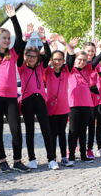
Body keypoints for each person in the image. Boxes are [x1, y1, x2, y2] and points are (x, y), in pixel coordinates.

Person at [0, 5, 29, 172]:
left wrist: (13, 17)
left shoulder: (14, 53)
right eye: (4, 38)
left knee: (16, 129)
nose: (7, 40)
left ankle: (17, 160)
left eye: (7, 38)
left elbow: (19, 37)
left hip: (11, 97)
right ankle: (2, 160)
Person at [17, 24, 59, 170]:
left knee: (46, 129)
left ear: (37, 58)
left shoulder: (41, 67)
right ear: (25, 57)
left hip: (40, 100)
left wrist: (43, 39)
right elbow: (19, 51)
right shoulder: (21, 68)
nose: (31, 58)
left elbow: (47, 55)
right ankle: (32, 158)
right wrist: (26, 37)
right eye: (28, 56)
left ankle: (51, 159)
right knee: (29, 131)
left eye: (34, 56)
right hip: (27, 100)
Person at [45, 35, 74, 167]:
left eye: (60, 59)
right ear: (52, 60)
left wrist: (65, 43)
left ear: (63, 61)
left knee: (62, 133)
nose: (57, 62)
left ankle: (64, 157)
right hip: (50, 108)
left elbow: (72, 57)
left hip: (63, 108)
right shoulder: (47, 71)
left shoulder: (66, 71)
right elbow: (43, 58)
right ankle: (51, 159)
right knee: (52, 134)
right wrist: (48, 42)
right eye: (55, 59)